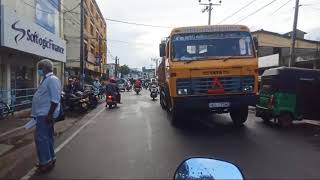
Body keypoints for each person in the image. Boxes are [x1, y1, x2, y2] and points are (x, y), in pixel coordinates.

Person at [31, 59, 61, 173]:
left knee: (41, 139)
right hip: (43, 114)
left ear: (45, 68)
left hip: (45, 115)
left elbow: (55, 100)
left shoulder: (52, 80)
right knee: (47, 137)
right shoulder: (46, 79)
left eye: (39, 68)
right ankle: (50, 159)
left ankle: (45, 163)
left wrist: (49, 115)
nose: (38, 70)